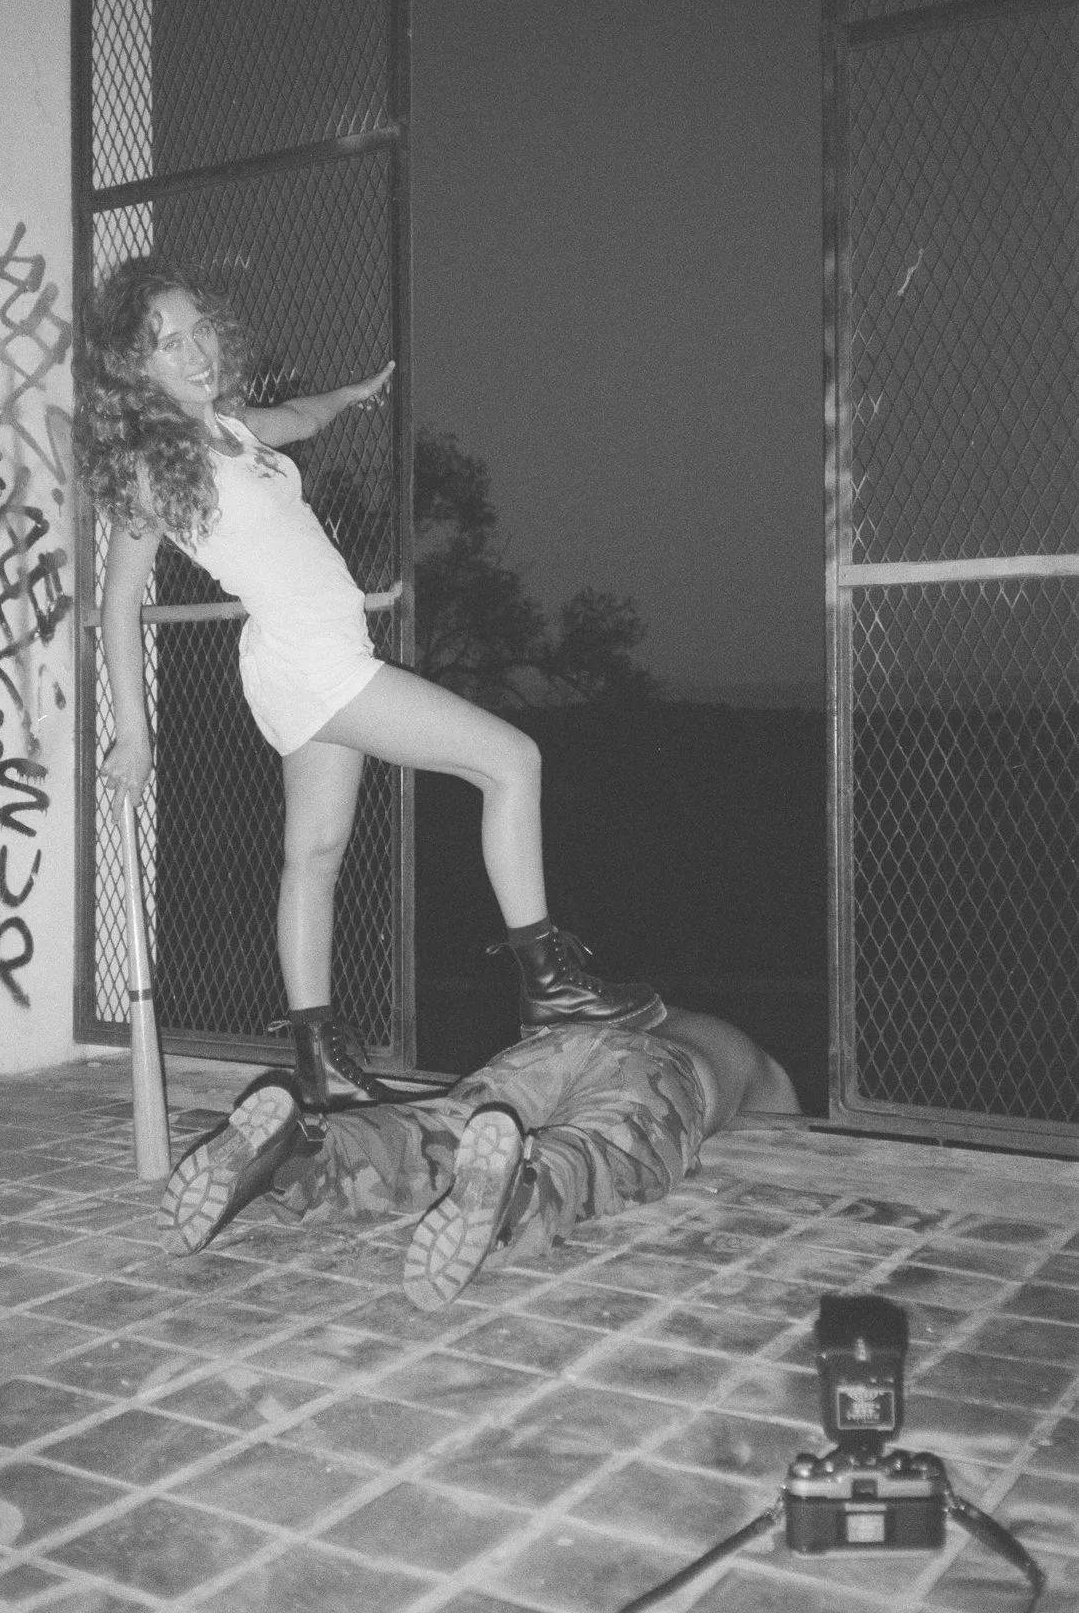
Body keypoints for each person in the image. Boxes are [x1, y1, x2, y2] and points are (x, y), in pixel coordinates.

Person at [74, 258, 663, 1112]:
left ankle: (317, 1061)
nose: (195, 351)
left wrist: (352, 395)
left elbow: (301, 416)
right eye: (168, 345)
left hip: (303, 657)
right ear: (138, 368)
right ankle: (550, 986)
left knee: (313, 857)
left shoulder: (234, 430)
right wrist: (134, 729)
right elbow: (118, 600)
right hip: (313, 662)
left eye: (200, 328)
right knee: (511, 760)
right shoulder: (150, 467)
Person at [156, 1005, 801, 1310]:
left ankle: (303, 1153)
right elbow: (787, 1138)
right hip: (658, 1069)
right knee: (607, 1149)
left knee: (443, 1127)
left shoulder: (648, 1008)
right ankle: (526, 1185)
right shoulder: (757, 1060)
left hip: (552, 1046)